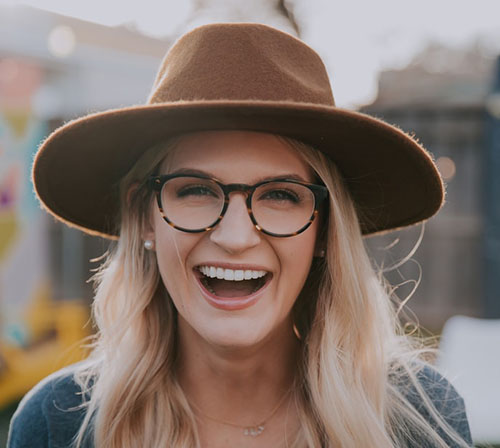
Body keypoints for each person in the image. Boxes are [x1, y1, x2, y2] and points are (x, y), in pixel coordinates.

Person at [8, 23, 472, 448]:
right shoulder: (60, 423)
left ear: (327, 226)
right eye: (195, 190)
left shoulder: (416, 418)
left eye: (281, 196)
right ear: (143, 214)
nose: (234, 237)